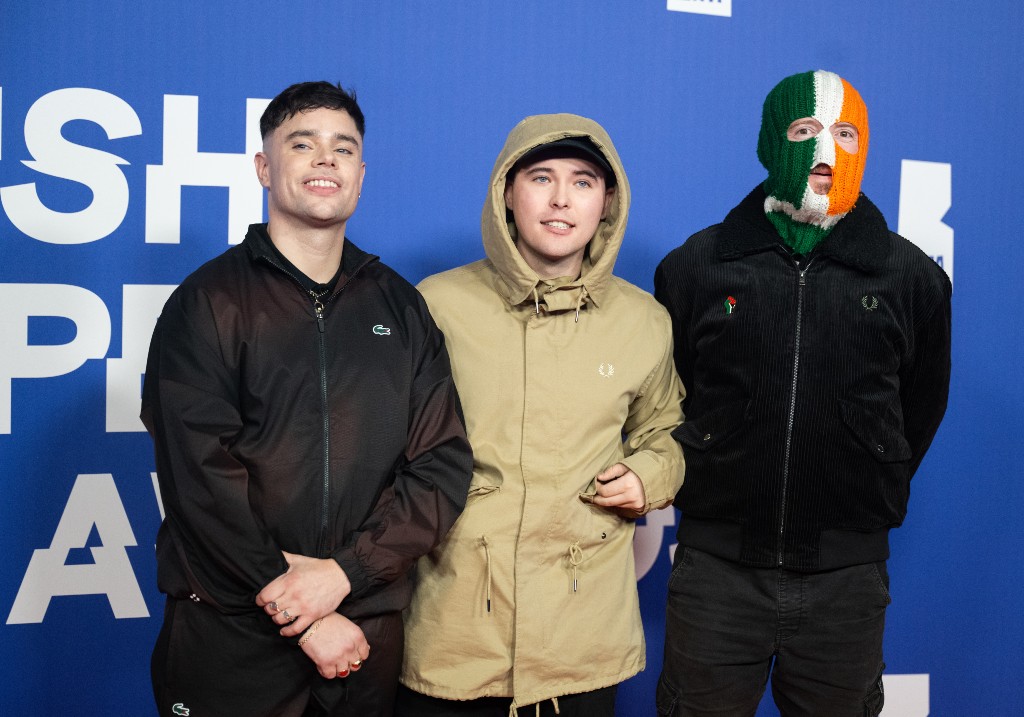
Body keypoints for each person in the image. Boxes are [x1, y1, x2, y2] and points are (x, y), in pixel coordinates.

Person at [141, 81, 473, 717]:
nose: (326, 159)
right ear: (265, 168)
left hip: (363, 636)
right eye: (303, 143)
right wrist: (293, 602)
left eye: (343, 148)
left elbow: (442, 464)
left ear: (361, 174)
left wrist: (345, 574)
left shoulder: (401, 307)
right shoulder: (208, 303)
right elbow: (198, 478)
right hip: (232, 633)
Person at [653, 70, 952, 716]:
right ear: (771, 143)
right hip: (716, 576)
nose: (826, 152)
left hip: (845, 585)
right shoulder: (696, 267)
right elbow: (669, 399)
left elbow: (919, 408)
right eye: (805, 130)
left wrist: (872, 465)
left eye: (845, 134)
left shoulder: (913, 280)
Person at [396, 114, 686, 716]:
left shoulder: (644, 321)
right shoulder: (436, 305)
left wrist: (649, 477)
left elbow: (667, 431)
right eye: (540, 178)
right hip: (456, 632)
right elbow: (386, 447)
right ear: (507, 191)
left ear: (607, 201)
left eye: (582, 182)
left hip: (580, 642)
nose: (560, 200)